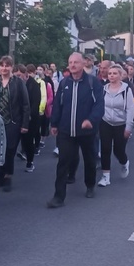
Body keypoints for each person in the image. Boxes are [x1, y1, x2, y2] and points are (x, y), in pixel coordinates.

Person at [48, 52, 104, 207]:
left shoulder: (93, 83)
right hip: (66, 131)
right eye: (70, 62)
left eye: (76, 62)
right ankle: (58, 197)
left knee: (89, 159)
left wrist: (90, 120)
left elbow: (99, 106)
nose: (72, 65)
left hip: (87, 131)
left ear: (83, 64)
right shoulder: (64, 83)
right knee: (63, 162)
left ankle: (90, 185)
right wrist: (54, 124)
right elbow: (57, 106)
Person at [0, 56, 30, 192]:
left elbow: (25, 104)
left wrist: (24, 124)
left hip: (13, 121)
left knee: (9, 150)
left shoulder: (18, 82)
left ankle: (7, 175)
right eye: (2, 65)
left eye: (7, 66)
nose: (4, 68)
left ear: (12, 67)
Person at [97, 64, 134, 187]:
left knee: (118, 150)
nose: (111, 76)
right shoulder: (104, 89)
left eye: (114, 73)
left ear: (120, 75)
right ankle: (105, 176)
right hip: (106, 122)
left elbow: (130, 109)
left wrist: (128, 127)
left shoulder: (126, 90)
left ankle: (124, 163)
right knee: (105, 149)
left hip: (121, 124)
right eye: (110, 74)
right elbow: (99, 106)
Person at [15, 64, 41, 172]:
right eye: (16, 75)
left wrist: (29, 116)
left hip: (30, 118)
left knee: (28, 141)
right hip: (17, 117)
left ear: (25, 74)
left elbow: (36, 103)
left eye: (19, 75)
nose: (17, 78)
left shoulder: (33, 85)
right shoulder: (14, 84)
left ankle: (30, 162)